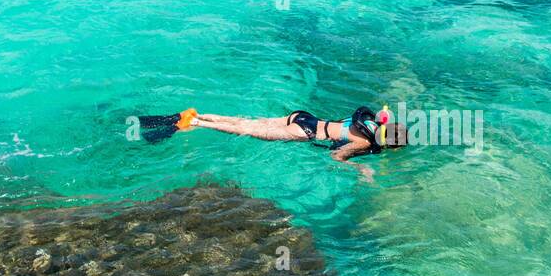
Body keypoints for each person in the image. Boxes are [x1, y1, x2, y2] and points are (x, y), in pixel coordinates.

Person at [141, 105, 407, 160]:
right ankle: (197, 124)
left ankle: (197, 113)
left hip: (303, 116)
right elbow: (336, 157)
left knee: (244, 120)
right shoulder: (363, 143)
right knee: (244, 131)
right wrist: (360, 170)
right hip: (304, 131)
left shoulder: (369, 122)